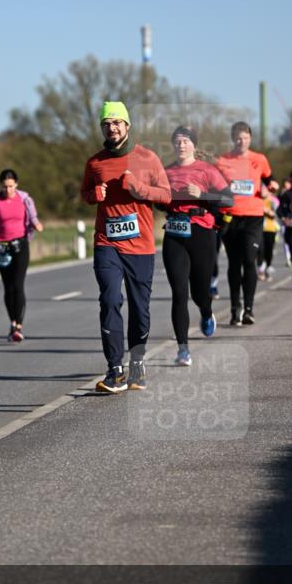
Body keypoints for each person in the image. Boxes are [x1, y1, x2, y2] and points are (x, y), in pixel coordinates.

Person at [80, 101, 171, 393]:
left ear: (127, 126)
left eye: (117, 122)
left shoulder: (147, 158)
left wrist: (140, 189)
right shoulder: (95, 163)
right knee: (109, 299)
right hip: (106, 243)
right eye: (107, 123)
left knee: (140, 309)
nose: (112, 128)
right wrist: (94, 194)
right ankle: (115, 369)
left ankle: (137, 363)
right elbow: (84, 193)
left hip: (140, 246)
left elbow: (166, 196)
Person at [160, 127, 233, 367]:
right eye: (177, 141)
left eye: (185, 141)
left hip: (202, 232)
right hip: (174, 232)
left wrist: (202, 194)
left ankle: (206, 311)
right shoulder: (166, 171)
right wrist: (162, 198)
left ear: (194, 145)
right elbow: (159, 203)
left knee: (200, 292)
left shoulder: (207, 170)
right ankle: (183, 349)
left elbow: (229, 199)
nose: (181, 145)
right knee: (179, 292)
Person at [216, 122, 278, 326]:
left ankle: (248, 310)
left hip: (253, 216)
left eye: (245, 138)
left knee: (250, 260)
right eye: (238, 138)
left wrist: (272, 186)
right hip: (230, 217)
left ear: (250, 138)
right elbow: (214, 185)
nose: (241, 141)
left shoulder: (259, 159)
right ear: (232, 139)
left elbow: (269, 180)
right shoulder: (223, 160)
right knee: (234, 263)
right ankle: (235, 308)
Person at [0, 168, 43, 341]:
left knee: (18, 285)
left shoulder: (25, 199)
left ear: (16, 184)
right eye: (4, 186)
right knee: (8, 287)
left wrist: (36, 224)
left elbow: (33, 216)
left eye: (11, 186)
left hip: (20, 245)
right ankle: (12, 322)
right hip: (2, 247)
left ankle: (19, 327)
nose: (8, 190)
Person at [257, 188, 279, 282]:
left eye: (265, 190)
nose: (263, 192)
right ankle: (260, 271)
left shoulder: (273, 201)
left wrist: (265, 210)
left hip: (270, 229)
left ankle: (267, 268)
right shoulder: (257, 201)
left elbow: (274, 214)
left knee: (269, 251)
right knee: (260, 250)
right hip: (259, 229)